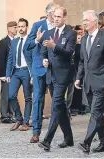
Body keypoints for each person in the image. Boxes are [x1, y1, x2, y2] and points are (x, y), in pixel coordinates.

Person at [75, 10, 104, 154]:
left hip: (101, 82)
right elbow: (82, 61)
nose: (84, 22)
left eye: (87, 20)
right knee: (97, 114)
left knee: (95, 112)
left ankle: (86, 142)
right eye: (83, 20)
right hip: (88, 82)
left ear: (95, 21)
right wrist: (78, 77)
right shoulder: (85, 39)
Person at [38, 7, 77, 152]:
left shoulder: (70, 33)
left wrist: (54, 46)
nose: (56, 19)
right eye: (54, 17)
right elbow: (43, 52)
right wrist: (44, 60)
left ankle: (47, 140)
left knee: (55, 106)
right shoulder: (48, 33)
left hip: (63, 75)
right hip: (51, 75)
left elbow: (68, 52)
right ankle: (69, 138)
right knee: (60, 106)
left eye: (59, 17)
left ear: (64, 18)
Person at [24, 2, 58, 143]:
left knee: (57, 100)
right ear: (49, 14)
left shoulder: (59, 27)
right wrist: (37, 40)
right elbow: (27, 46)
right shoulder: (38, 25)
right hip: (39, 69)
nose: (57, 17)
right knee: (38, 99)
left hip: (55, 68)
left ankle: (57, 131)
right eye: (55, 14)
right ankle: (36, 132)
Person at [6, 18, 32, 131]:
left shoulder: (31, 40)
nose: (20, 29)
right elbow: (10, 59)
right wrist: (7, 74)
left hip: (27, 71)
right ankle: (19, 118)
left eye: (22, 26)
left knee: (27, 98)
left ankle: (26, 122)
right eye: (19, 27)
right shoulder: (14, 41)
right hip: (15, 72)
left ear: (27, 27)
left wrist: (33, 74)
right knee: (11, 95)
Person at [0, 21, 17, 124]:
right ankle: (4, 115)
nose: (16, 29)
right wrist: (2, 75)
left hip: (15, 73)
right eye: (14, 27)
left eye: (16, 27)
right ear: (9, 29)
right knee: (5, 94)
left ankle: (11, 114)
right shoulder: (4, 42)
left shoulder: (17, 41)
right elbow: (1, 59)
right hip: (6, 73)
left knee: (12, 94)